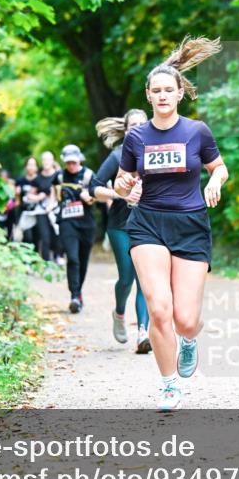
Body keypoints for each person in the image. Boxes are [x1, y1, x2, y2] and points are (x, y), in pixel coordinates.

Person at [113, 36, 228, 411]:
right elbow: (121, 179)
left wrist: (215, 180)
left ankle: (190, 340)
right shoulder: (136, 137)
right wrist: (124, 185)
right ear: (148, 96)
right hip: (147, 223)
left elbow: (219, 167)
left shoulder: (197, 131)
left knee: (186, 319)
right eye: (156, 91)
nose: (162, 96)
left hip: (191, 224)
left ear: (180, 93)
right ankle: (168, 384)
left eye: (169, 90)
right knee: (159, 309)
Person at [92, 109, 152, 352]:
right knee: (126, 277)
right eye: (132, 126)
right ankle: (119, 313)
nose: (137, 129)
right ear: (125, 131)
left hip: (148, 225)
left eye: (141, 125)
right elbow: (93, 186)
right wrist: (118, 193)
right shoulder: (118, 156)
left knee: (144, 280)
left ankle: (143, 333)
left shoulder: (155, 153)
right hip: (120, 225)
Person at [56, 144, 97, 313]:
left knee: (83, 260)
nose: (71, 165)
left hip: (86, 223)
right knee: (72, 258)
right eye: (68, 163)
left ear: (79, 159)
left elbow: (95, 197)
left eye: (74, 162)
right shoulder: (59, 176)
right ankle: (74, 295)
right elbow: (52, 191)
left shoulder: (88, 175)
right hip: (67, 222)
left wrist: (86, 196)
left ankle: (78, 292)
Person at [26, 151, 62, 263]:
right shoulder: (38, 178)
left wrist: (53, 203)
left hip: (56, 210)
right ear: (42, 161)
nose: (46, 162)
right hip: (41, 211)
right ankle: (46, 263)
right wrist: (38, 197)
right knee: (44, 237)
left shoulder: (58, 175)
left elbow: (59, 191)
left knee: (56, 236)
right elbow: (29, 195)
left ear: (52, 161)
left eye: (48, 160)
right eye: (44, 160)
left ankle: (58, 256)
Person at [14, 157, 39, 246]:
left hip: (37, 212)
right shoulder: (20, 181)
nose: (31, 167)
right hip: (24, 212)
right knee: (27, 237)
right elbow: (17, 201)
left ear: (36, 167)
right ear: (26, 167)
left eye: (33, 165)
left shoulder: (40, 180)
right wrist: (17, 194)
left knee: (37, 238)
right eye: (29, 165)